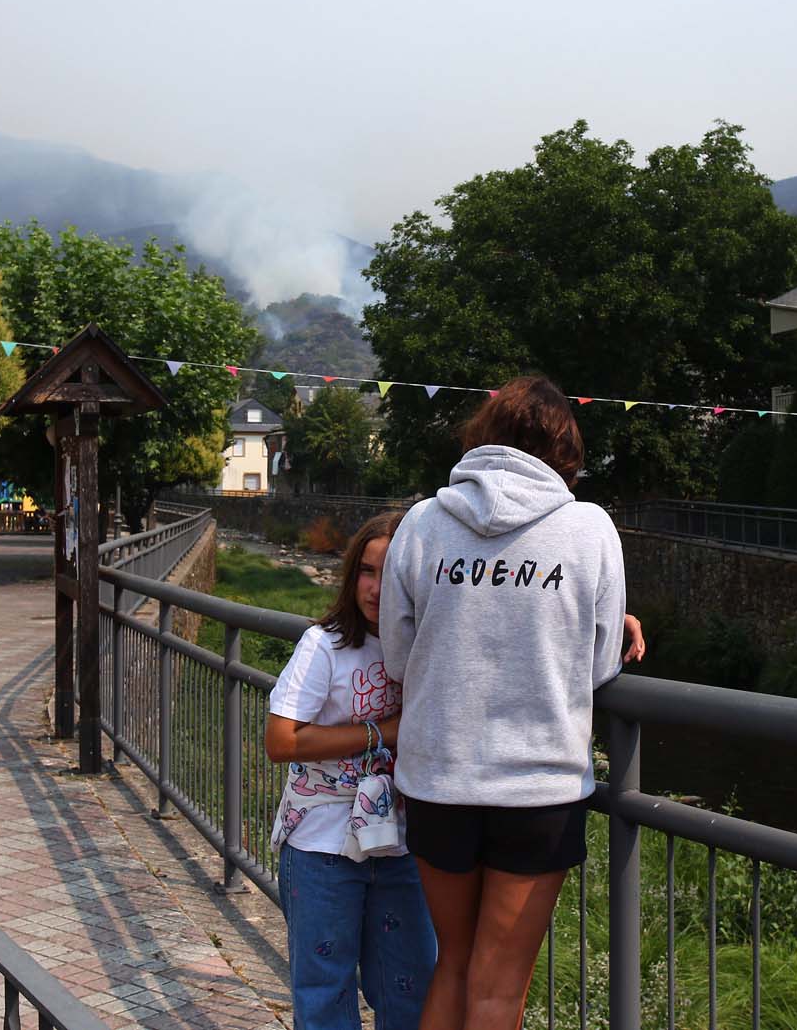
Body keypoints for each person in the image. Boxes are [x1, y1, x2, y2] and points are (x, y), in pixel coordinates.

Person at [378, 375, 630, 1030]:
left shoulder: (423, 522)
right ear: (566, 450)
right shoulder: (589, 527)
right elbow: (600, 666)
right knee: (499, 986)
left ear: (481, 440)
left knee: (454, 963)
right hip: (538, 789)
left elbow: (399, 659)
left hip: (437, 779)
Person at [265, 512, 436, 1030]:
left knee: (410, 989)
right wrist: (382, 732)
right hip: (322, 845)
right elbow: (281, 739)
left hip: (399, 844)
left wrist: (609, 623)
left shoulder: (427, 646)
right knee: (325, 995)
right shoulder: (326, 646)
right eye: (367, 571)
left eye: (393, 575)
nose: (378, 589)